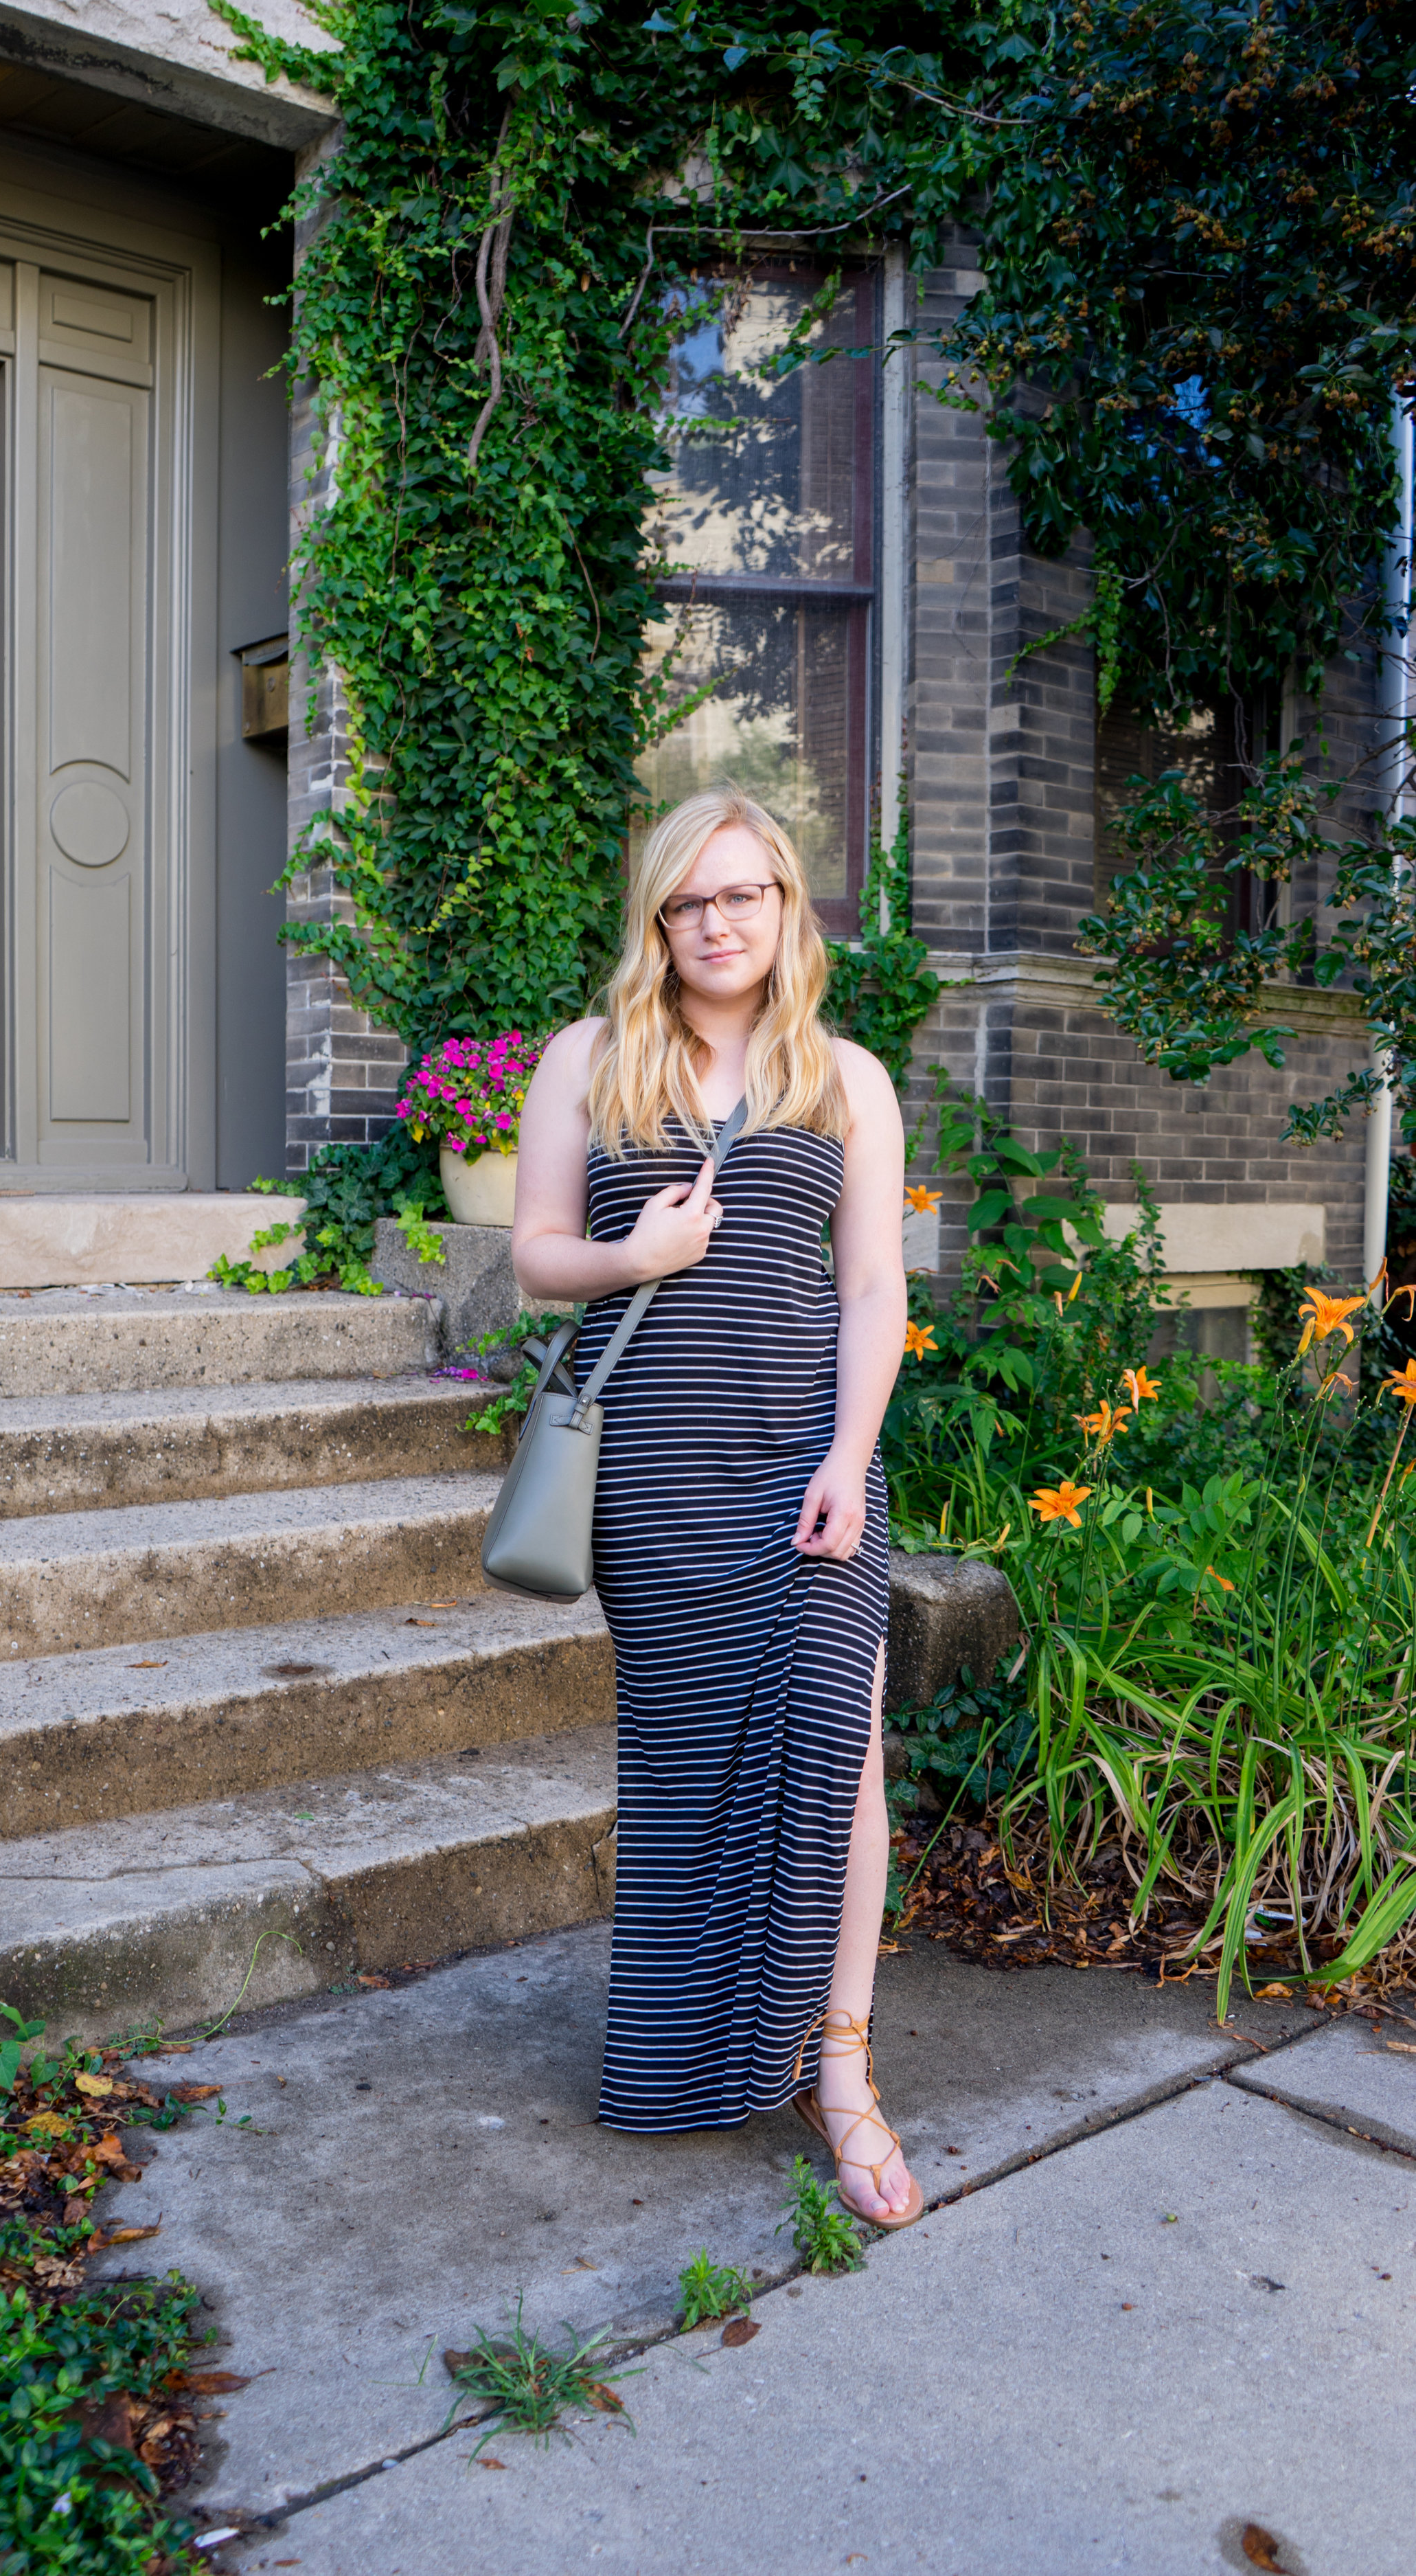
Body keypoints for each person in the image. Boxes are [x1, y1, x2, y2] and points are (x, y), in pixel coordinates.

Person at [512, 784, 921, 2226]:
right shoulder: (588, 1057)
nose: (715, 921)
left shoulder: (845, 1078)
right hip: (655, 1473)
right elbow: (533, 1259)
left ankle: (843, 2069)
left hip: (808, 1452)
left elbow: (872, 1289)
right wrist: (633, 1254)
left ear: (784, 906)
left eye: (741, 893)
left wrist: (846, 1450)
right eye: (688, 900)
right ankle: (691, 2049)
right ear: (658, 920)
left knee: (842, 1757)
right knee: (688, 1770)